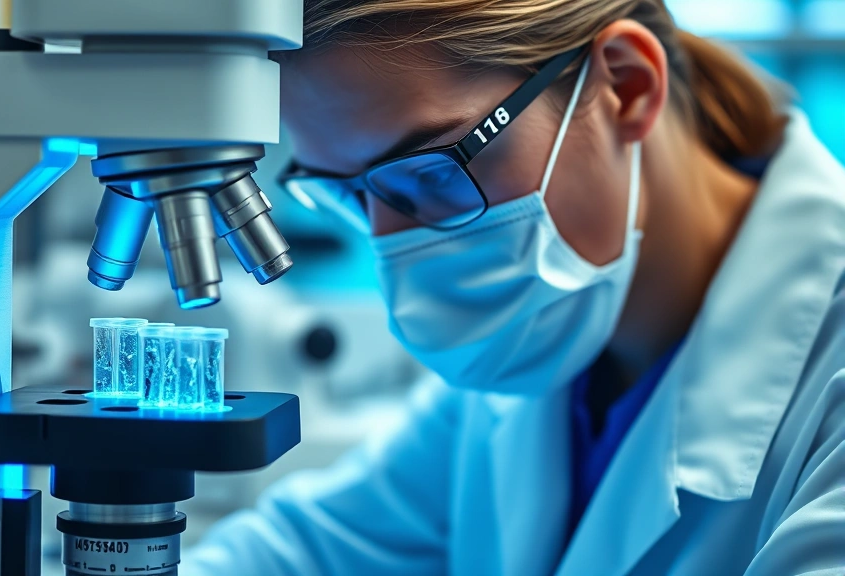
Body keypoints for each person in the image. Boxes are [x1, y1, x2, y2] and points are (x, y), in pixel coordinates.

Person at [183, 0, 845, 574]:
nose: (393, 248)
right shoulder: (536, 345)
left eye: (431, 175)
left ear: (627, 86)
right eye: (350, 194)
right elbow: (303, 551)